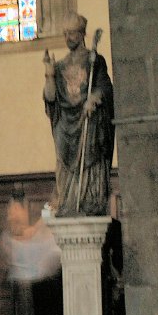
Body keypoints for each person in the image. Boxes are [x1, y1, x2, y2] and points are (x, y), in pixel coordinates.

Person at [43, 14, 114, 216]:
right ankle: (68, 202)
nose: (68, 37)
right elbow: (51, 98)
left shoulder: (94, 60)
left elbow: (105, 88)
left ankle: (90, 201)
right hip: (65, 125)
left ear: (82, 34)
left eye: (72, 33)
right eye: (65, 33)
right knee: (64, 164)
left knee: (91, 157)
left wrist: (95, 97)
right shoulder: (59, 66)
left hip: (88, 121)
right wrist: (49, 73)